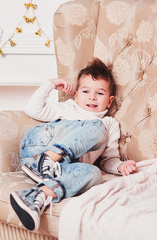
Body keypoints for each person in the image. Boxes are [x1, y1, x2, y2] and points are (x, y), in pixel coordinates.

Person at [10, 58, 137, 231]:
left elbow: (109, 160)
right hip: (39, 146)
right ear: (76, 96)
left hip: (57, 168)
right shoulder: (68, 108)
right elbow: (33, 109)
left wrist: (121, 166)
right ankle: (46, 159)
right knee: (97, 127)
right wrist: (50, 84)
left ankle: (35, 197)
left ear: (109, 101)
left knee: (94, 174)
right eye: (85, 91)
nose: (92, 97)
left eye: (100, 93)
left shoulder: (110, 124)